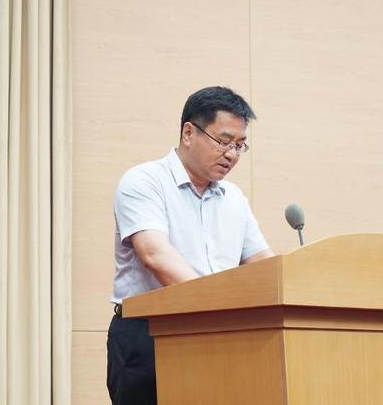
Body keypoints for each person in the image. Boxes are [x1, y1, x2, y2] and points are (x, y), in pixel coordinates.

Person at [106, 86, 275, 405]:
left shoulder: (234, 198)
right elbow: (155, 255)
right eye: (223, 141)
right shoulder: (144, 181)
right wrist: (216, 307)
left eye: (239, 145)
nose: (232, 154)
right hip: (149, 335)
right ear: (188, 132)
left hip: (219, 335)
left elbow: (262, 264)